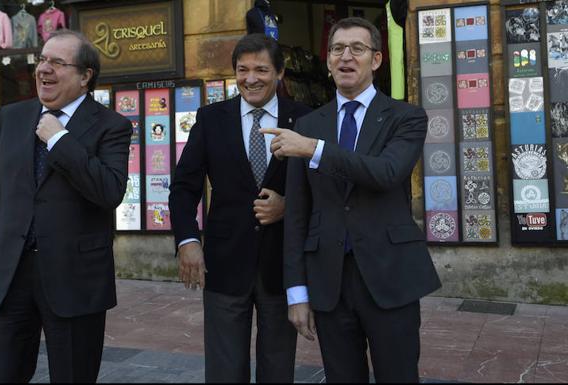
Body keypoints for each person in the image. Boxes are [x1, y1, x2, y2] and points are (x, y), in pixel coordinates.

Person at [261, 17, 442, 383]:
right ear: (328, 61)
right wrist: (296, 292)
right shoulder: (309, 125)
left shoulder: (405, 117)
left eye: (357, 49)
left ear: (375, 59)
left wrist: (314, 150)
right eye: (337, 49)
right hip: (329, 283)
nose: (346, 57)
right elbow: (297, 213)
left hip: (390, 277)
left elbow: (386, 173)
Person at [0, 29, 132, 383]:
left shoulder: (112, 126)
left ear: (86, 76)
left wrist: (58, 138)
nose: (44, 69)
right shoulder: (10, 118)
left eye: (58, 62)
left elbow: (109, 191)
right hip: (10, 277)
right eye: (42, 59)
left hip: (76, 280)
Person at [168, 33, 311, 383]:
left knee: (278, 368)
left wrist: (288, 206)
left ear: (279, 73)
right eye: (242, 69)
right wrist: (188, 241)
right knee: (223, 369)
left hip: (283, 266)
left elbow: (325, 191)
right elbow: (183, 189)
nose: (251, 78)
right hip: (224, 263)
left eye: (261, 69)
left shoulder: (306, 120)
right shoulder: (211, 118)